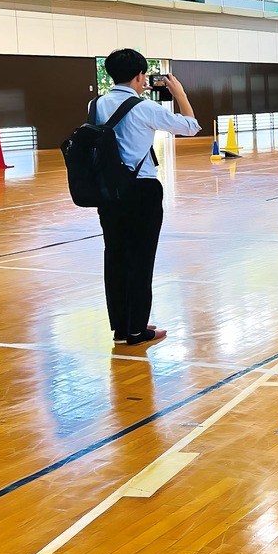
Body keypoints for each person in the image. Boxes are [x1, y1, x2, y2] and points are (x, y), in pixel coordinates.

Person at [95, 49, 200, 345]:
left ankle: (122, 327)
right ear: (140, 75)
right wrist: (180, 95)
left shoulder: (96, 104)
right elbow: (191, 128)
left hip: (108, 192)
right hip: (141, 190)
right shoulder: (143, 108)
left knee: (115, 257)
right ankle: (138, 329)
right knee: (141, 259)